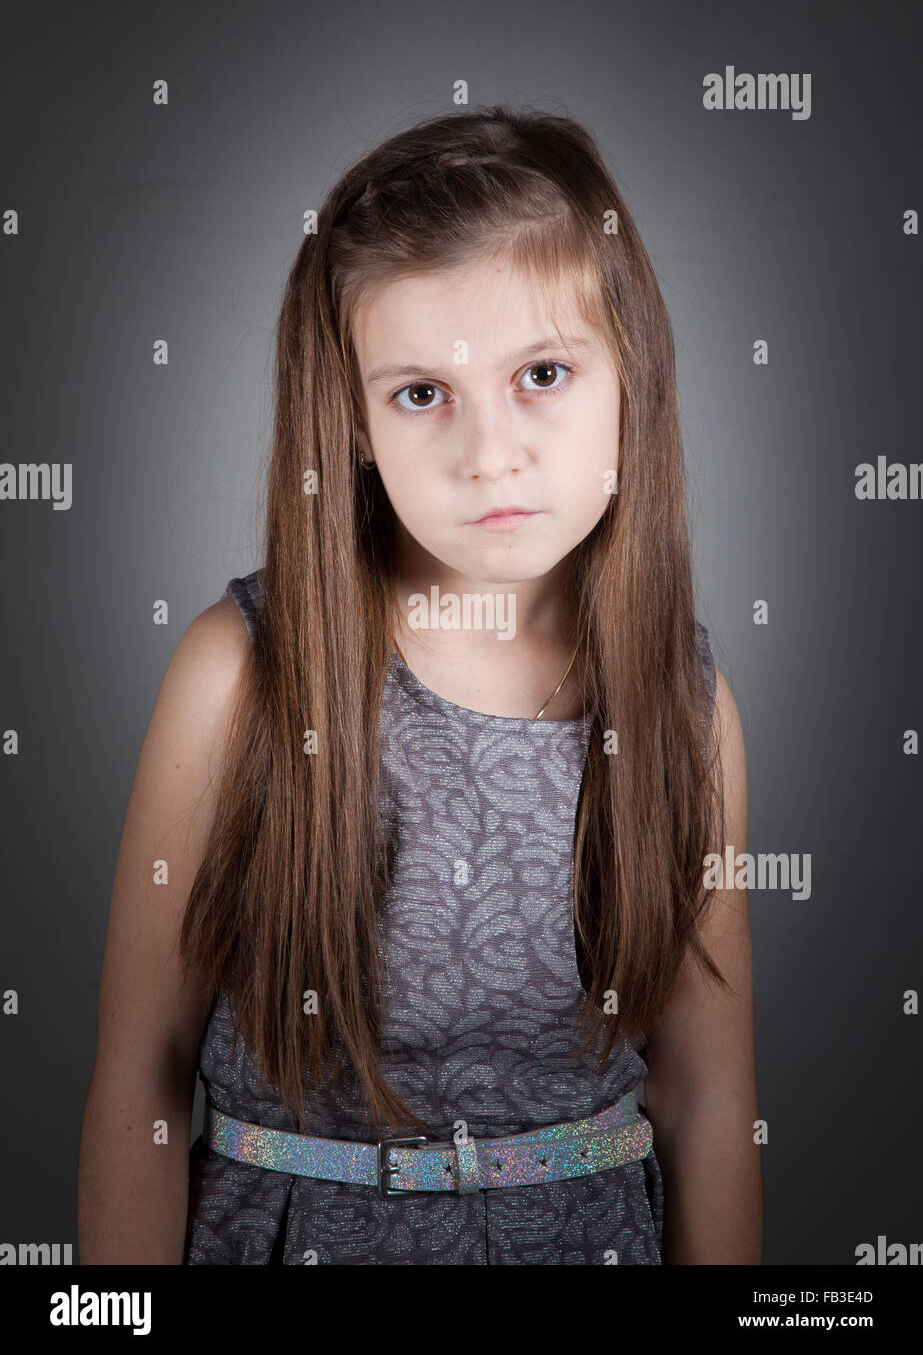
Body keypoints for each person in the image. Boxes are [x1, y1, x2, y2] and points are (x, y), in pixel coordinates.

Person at [78, 103, 761, 1264]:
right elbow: (140, 1079)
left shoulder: (681, 706)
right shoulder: (237, 675)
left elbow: (705, 1108)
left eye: (540, 372)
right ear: (349, 421)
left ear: (627, 372)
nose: (488, 450)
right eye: (420, 394)